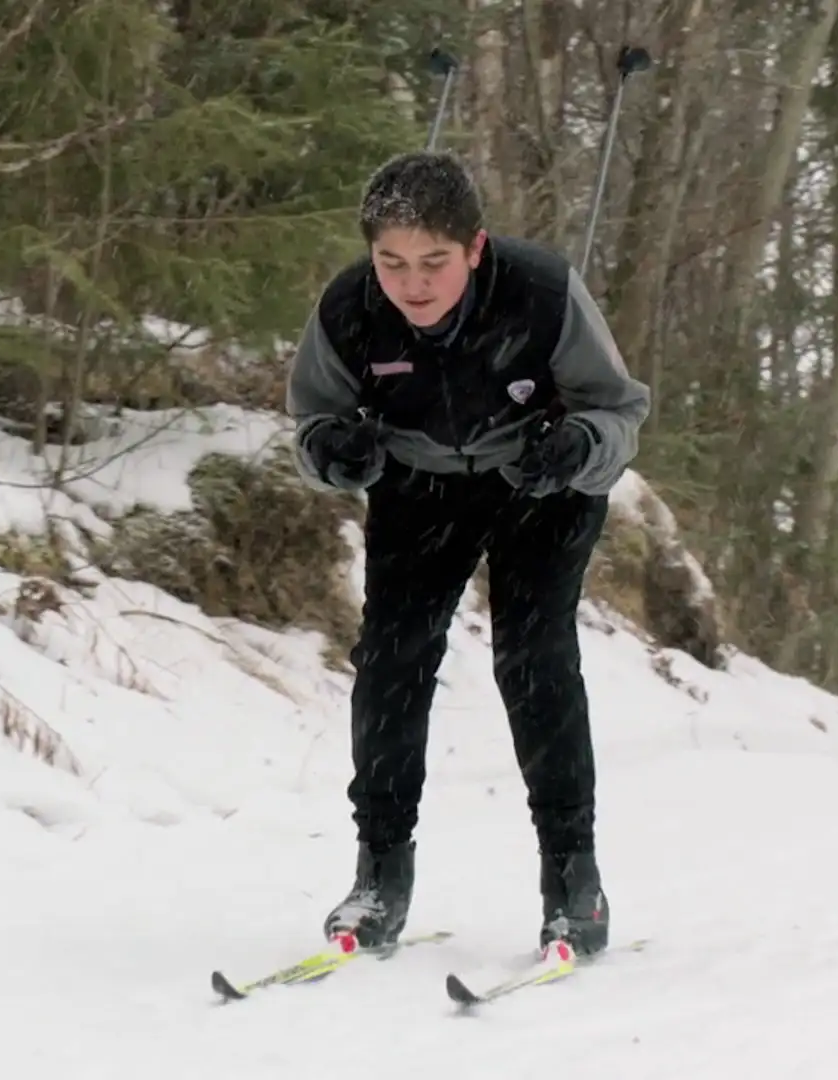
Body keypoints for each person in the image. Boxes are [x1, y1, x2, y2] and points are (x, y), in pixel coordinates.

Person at [285, 150, 650, 959]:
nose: (413, 285)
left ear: (475, 249)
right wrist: (333, 449)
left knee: (532, 655)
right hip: (422, 485)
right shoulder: (351, 307)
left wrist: (578, 447)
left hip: (541, 480)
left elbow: (620, 410)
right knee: (391, 657)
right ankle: (379, 873)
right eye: (392, 263)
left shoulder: (542, 292)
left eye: (434, 263)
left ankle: (572, 879)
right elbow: (313, 417)